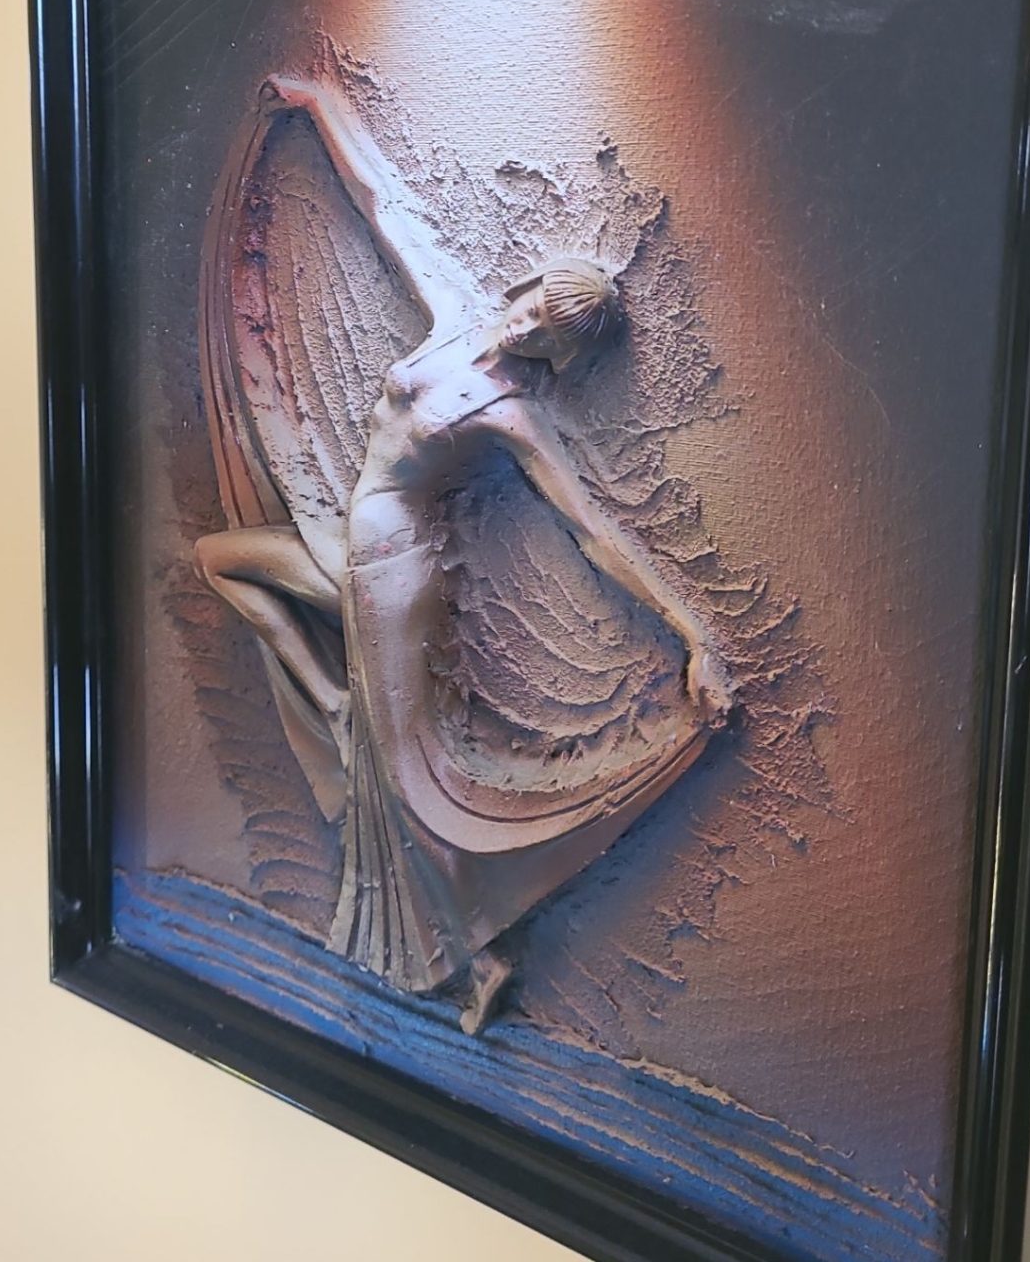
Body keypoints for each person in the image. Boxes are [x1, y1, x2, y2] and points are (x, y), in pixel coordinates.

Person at [196, 62, 732, 1033]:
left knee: (404, 782)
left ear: (558, 353)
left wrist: (690, 632)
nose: (521, 326)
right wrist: (321, 107)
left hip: (393, 575)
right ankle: (332, 703)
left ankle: (475, 961)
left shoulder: (512, 416)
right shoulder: (452, 315)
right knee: (221, 561)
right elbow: (386, 207)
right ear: (523, 290)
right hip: (349, 542)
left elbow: (592, 533)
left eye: (542, 331)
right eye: (529, 307)